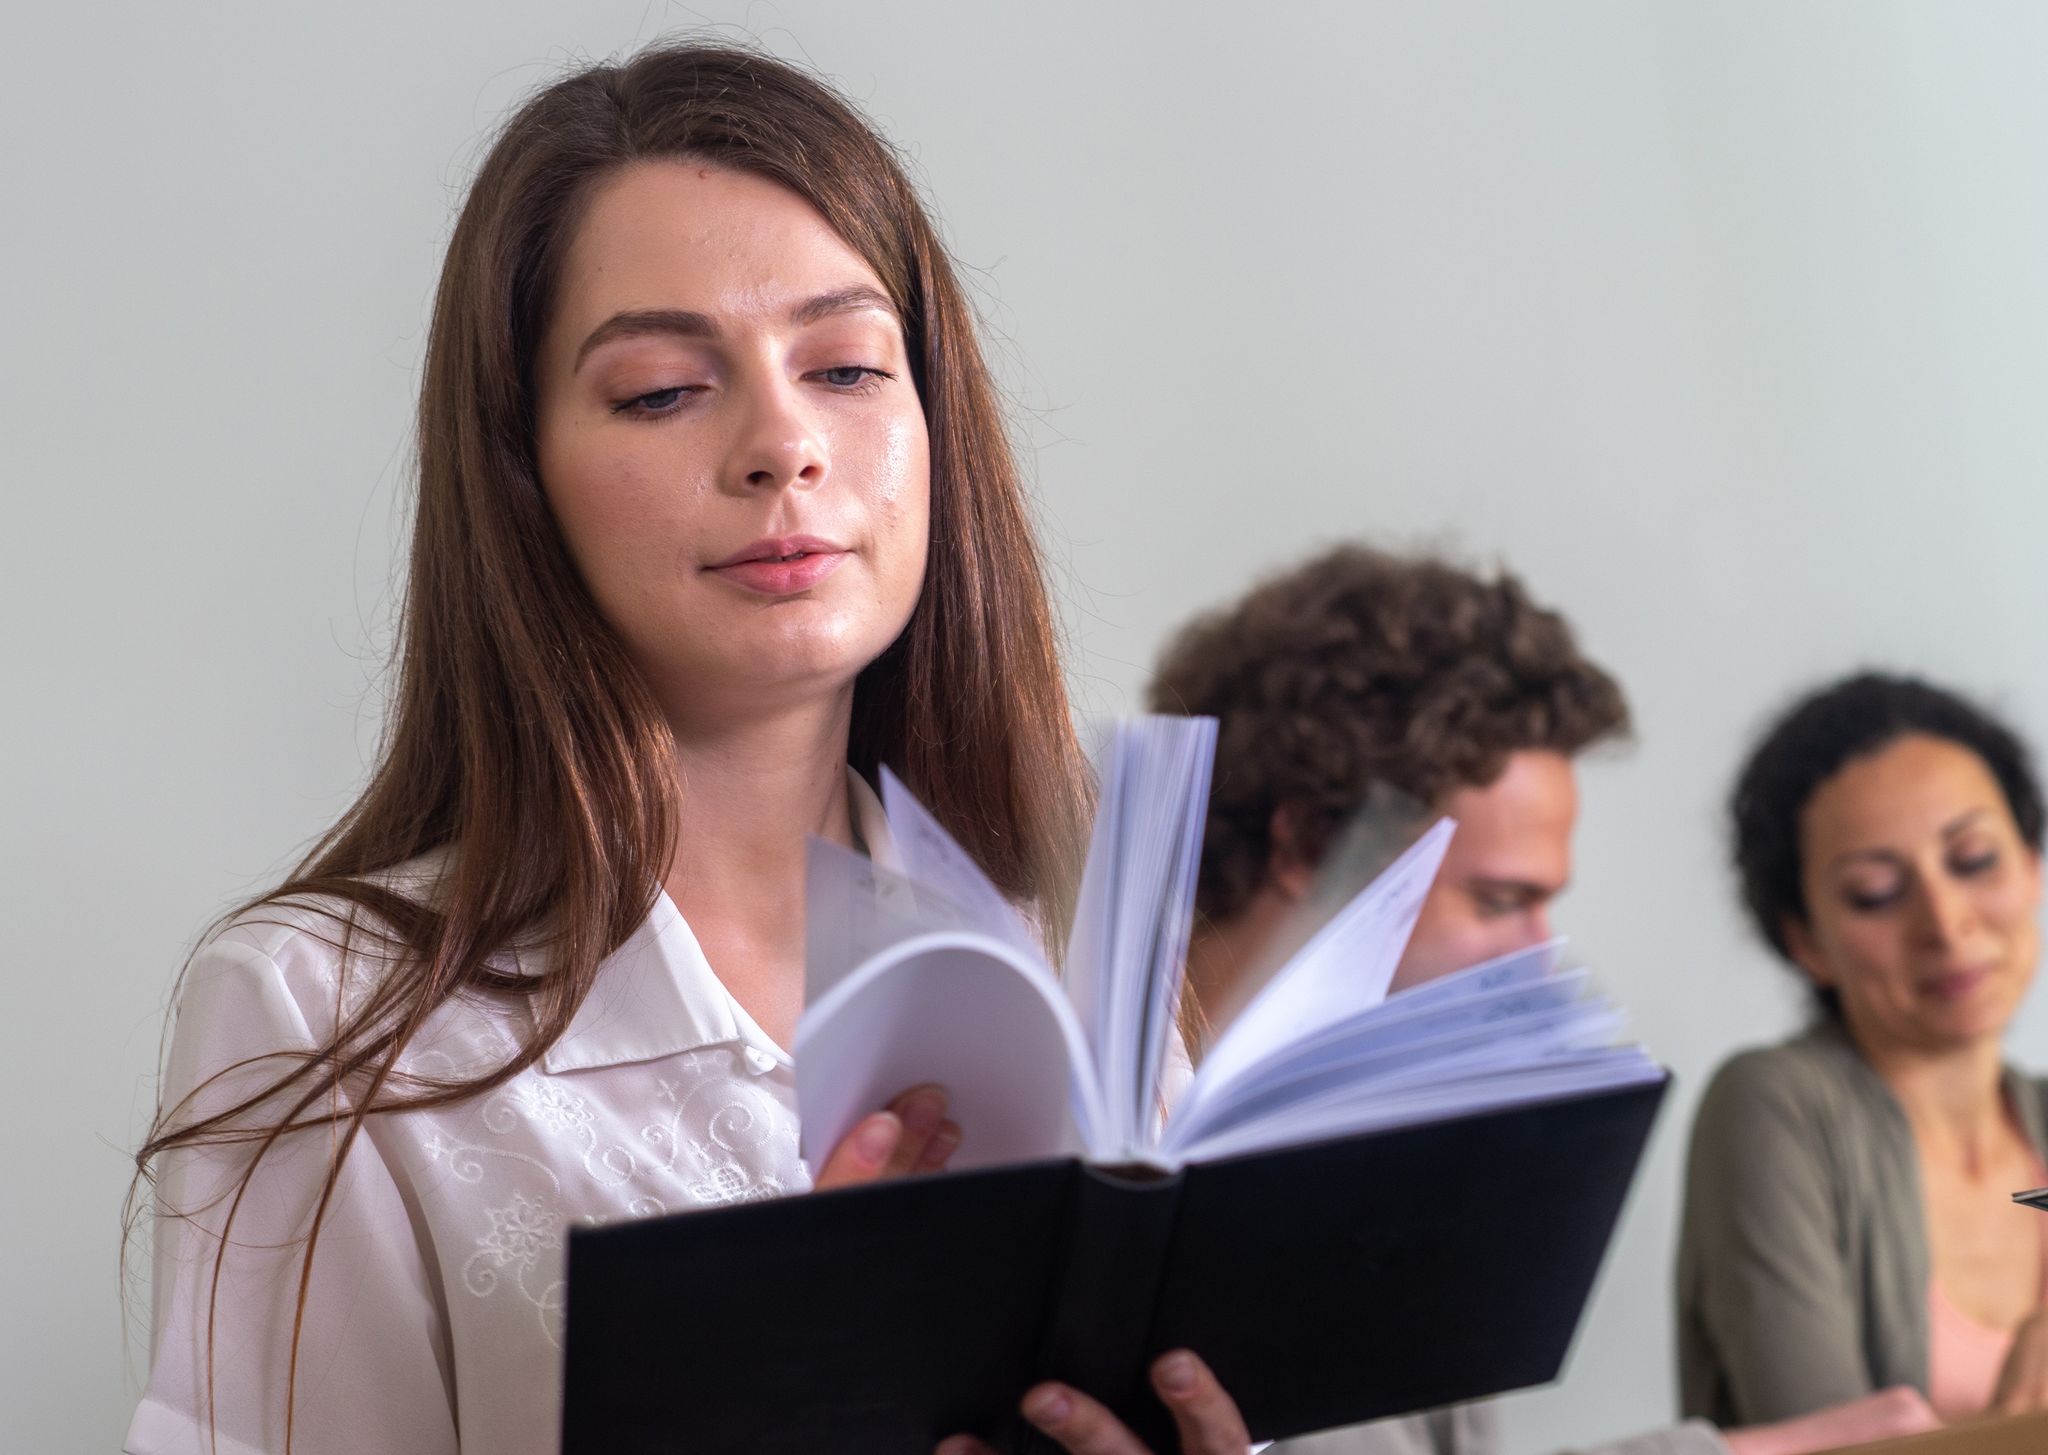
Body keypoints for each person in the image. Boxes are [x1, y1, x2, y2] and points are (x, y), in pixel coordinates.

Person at [126, 43, 1249, 1455]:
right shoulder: (328, 1014)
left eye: (845, 365)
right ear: (521, 475)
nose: (784, 443)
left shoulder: (1072, 943)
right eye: (661, 390)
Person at [1149, 547, 1942, 1455]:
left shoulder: (1383, 1123)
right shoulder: (1112, 1121)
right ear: (1309, 844)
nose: (1538, 956)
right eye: (1498, 899)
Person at [1678, 673, 2048, 1426]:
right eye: (1876, 892)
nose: (1945, 924)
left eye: (1974, 858)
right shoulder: (1773, 1108)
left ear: (2033, 864)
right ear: (1806, 939)